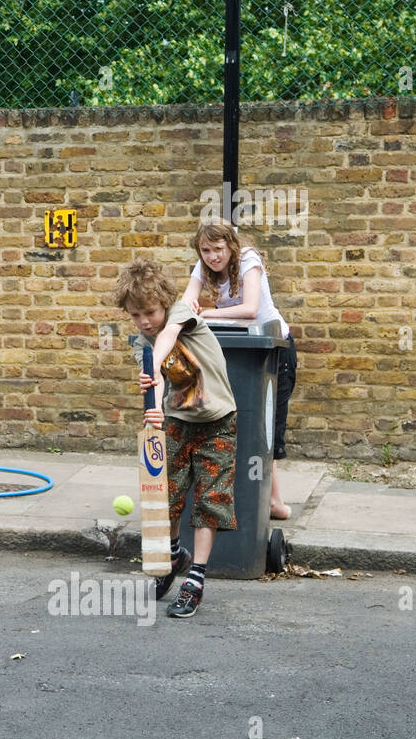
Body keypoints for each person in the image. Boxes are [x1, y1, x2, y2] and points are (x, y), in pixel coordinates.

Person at [116, 258, 238, 619]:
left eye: (150, 312)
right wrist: (152, 410)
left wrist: (153, 364)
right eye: (135, 315)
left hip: (218, 421)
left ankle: (195, 579)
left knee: (209, 500)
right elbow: (156, 393)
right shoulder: (142, 341)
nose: (145, 322)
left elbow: (168, 336)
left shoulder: (182, 312)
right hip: (178, 422)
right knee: (166, 496)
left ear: (164, 303)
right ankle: (172, 557)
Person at [182, 222, 296, 520]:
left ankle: (274, 502)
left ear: (231, 247)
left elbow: (250, 309)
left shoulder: (248, 260)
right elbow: (185, 304)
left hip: (273, 349)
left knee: (266, 426)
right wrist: (186, 310)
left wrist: (203, 313)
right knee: (241, 425)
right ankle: (268, 501)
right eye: (206, 250)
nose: (213, 257)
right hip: (240, 349)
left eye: (218, 249)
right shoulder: (203, 264)